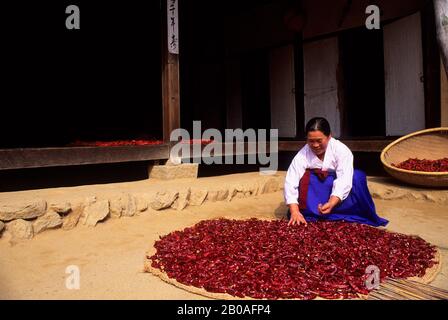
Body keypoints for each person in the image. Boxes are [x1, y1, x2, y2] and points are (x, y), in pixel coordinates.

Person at [284, 117, 388, 227]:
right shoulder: (302, 154)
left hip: (337, 194)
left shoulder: (341, 150)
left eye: (319, 141)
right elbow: (291, 181)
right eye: (311, 141)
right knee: (306, 178)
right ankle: (309, 211)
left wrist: (332, 202)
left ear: (329, 137)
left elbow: (344, 178)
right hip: (316, 191)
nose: (315, 145)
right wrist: (294, 211)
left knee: (357, 177)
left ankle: (343, 210)